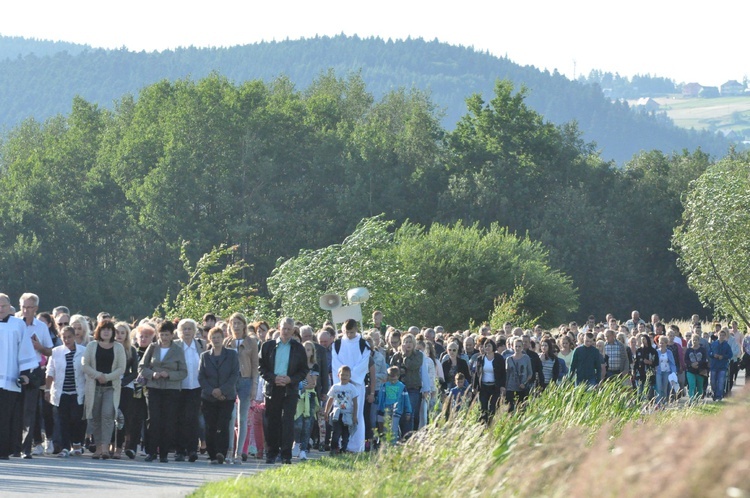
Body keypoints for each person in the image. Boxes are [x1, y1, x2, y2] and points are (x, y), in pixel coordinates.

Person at [259, 317, 309, 465]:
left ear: (293, 330)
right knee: (272, 421)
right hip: (273, 388)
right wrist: (274, 378)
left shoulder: (298, 348)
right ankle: (271, 453)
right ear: (279, 328)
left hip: (290, 389)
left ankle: (286, 454)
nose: (286, 332)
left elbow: (304, 369)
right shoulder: (267, 346)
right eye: (284, 328)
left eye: (289, 329)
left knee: (288, 421)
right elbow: (261, 367)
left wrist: (291, 379)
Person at [138, 321, 187, 462]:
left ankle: (164, 453)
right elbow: (142, 367)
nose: (164, 337)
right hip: (154, 388)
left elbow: (183, 372)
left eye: (167, 335)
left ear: (172, 335)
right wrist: (153, 374)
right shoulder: (153, 348)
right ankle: (151, 451)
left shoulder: (178, 350)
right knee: (153, 420)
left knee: (168, 421)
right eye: (162, 334)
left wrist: (169, 375)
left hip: (171, 390)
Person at [0, 293, 38, 460]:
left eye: (4, 306)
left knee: (6, 415)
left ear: (9, 307)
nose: (1, 309)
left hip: (9, 377)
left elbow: (25, 349)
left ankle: (4, 450)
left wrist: (24, 373)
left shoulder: (18, 325)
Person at [82, 320, 126, 459]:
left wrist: (106, 377)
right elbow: (85, 364)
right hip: (94, 387)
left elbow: (121, 368)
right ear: (98, 331)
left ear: (113, 332)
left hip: (110, 388)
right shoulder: (91, 345)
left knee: (107, 416)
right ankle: (98, 448)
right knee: (95, 417)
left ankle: (106, 448)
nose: (106, 332)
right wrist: (97, 375)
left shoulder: (118, 347)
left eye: (109, 329)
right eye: (103, 329)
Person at [199, 326, 239, 464]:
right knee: (210, 426)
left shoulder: (232, 355)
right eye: (213, 337)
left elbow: (234, 375)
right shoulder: (204, 356)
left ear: (223, 338)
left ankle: (221, 452)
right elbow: (201, 377)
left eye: (218, 337)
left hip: (226, 397)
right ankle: (212, 454)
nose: (216, 340)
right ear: (210, 339)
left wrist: (222, 391)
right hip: (208, 397)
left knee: (222, 425)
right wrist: (212, 391)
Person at [44, 326, 86, 457]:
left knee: (76, 418)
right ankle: (65, 447)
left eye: (69, 337)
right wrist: (47, 389)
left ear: (74, 337)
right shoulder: (56, 352)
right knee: (62, 420)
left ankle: (77, 444)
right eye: (64, 337)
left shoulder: (83, 351)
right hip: (61, 392)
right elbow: (50, 372)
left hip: (78, 392)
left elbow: (87, 371)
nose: (67, 340)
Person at [331, 318, 371, 452]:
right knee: (341, 413)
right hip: (341, 385)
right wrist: (343, 378)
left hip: (356, 385)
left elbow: (363, 364)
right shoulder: (337, 344)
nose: (349, 335)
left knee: (356, 413)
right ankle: (342, 444)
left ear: (356, 330)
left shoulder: (363, 344)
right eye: (347, 332)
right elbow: (336, 362)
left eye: (352, 332)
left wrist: (351, 377)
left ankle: (356, 446)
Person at [224, 312, 258, 464]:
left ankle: (239, 452)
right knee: (230, 417)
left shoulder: (251, 342)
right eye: (233, 323)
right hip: (230, 381)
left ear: (244, 325)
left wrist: (254, 386)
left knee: (242, 418)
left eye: (239, 323)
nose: (236, 326)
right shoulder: (227, 342)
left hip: (245, 380)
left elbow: (255, 366)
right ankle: (229, 451)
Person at [174, 318, 205, 462]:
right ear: (180, 331)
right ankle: (179, 450)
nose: (187, 331)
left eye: (189, 328)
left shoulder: (200, 344)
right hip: (179, 387)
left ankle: (192, 449)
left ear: (194, 331)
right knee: (179, 419)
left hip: (196, 387)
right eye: (184, 329)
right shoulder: (175, 346)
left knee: (193, 419)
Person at [390, 333, 430, 436]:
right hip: (399, 388)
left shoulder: (418, 355)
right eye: (405, 342)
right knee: (399, 414)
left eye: (410, 342)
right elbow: (392, 370)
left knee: (409, 414)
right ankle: (400, 436)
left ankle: (407, 438)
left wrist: (404, 355)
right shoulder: (396, 356)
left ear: (414, 343)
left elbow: (411, 365)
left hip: (413, 389)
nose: (408, 344)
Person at [112, 321, 138, 459]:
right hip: (110, 385)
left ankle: (118, 447)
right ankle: (108, 445)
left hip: (125, 387)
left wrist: (123, 382)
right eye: (117, 332)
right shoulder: (109, 347)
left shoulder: (131, 349)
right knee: (109, 415)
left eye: (123, 333)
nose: (119, 335)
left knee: (121, 417)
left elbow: (135, 372)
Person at [325, 365, 359, 456]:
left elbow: (355, 403)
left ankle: (344, 449)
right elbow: (330, 400)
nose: (344, 377)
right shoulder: (335, 387)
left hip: (348, 414)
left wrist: (355, 416)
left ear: (350, 376)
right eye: (342, 375)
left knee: (345, 433)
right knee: (336, 432)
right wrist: (326, 412)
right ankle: (333, 449)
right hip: (337, 413)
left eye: (347, 375)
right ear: (338, 375)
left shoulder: (352, 388)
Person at [293, 342, 319, 461]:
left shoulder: (314, 366)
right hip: (298, 396)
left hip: (309, 396)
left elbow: (313, 383)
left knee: (307, 423)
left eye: (309, 350)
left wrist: (304, 387)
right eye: (304, 349)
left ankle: (303, 449)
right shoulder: (297, 364)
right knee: (297, 422)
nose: (306, 352)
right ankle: (296, 443)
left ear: (312, 352)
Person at [377, 366, 411, 443]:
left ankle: (393, 444)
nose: (392, 380)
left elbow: (406, 400)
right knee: (386, 427)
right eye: (391, 378)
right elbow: (381, 398)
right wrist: (380, 409)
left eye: (394, 378)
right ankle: (386, 443)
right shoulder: (385, 385)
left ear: (398, 376)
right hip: (386, 408)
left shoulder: (402, 387)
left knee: (394, 427)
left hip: (397, 409)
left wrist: (408, 411)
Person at [503, 338, 531, 413]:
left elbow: (530, 373)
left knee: (522, 409)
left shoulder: (526, 358)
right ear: (512, 347)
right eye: (516, 346)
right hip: (510, 387)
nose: (517, 348)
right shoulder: (508, 359)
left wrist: (524, 383)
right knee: (510, 409)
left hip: (522, 387)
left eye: (519, 346)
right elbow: (506, 374)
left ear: (522, 347)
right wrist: (505, 387)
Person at [708, 329, 732, 401]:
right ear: (718, 335)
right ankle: (714, 393)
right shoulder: (713, 344)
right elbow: (709, 352)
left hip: (722, 366)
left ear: (725, 336)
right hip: (714, 365)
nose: (721, 337)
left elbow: (730, 354)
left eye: (723, 335)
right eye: (720, 335)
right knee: (713, 381)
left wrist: (723, 357)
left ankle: (719, 396)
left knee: (721, 381)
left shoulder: (727, 345)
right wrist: (713, 355)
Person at [633, 334, 657, 400]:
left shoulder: (653, 351)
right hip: (640, 374)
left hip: (649, 373)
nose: (643, 341)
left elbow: (656, 362)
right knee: (639, 391)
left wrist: (650, 362)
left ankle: (647, 404)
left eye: (644, 339)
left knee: (648, 391)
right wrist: (634, 372)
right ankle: (640, 405)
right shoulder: (639, 350)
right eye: (642, 339)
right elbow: (636, 363)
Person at [655, 336, 677, 406]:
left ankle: (663, 402)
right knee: (659, 387)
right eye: (660, 343)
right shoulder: (656, 352)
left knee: (664, 388)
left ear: (666, 343)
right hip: (658, 372)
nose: (661, 344)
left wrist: (673, 372)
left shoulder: (669, 352)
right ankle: (658, 403)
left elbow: (672, 363)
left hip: (667, 371)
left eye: (663, 343)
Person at [684, 333, 708, 399]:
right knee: (692, 385)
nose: (694, 341)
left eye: (696, 340)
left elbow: (704, 359)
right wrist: (691, 364)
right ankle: (691, 400)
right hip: (690, 371)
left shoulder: (702, 350)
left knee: (700, 387)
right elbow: (686, 359)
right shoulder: (689, 350)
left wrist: (698, 364)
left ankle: (697, 400)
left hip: (700, 371)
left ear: (699, 341)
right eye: (693, 340)